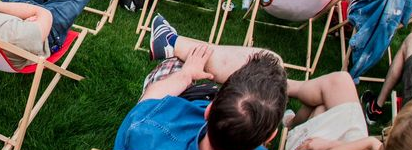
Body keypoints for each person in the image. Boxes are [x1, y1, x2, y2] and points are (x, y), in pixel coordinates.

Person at [116, 13, 287, 150]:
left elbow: (148, 100)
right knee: (275, 61)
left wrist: (186, 74)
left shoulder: (148, 129)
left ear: (209, 110)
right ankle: (172, 43)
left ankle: (172, 44)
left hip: (178, 108)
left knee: (175, 63)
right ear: (270, 137)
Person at [283, 71, 412, 150]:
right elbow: (373, 144)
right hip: (351, 139)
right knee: (341, 82)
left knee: (322, 106)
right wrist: (371, 142)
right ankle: (288, 109)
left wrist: (323, 144)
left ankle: (279, 87)